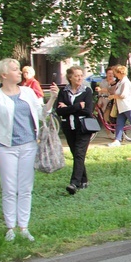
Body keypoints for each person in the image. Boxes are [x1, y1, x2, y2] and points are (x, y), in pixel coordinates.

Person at [0, 58, 59, 241]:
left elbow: (42, 113)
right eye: (15, 70)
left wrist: (53, 99)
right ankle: (10, 227)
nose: (20, 72)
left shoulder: (27, 92)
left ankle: (24, 227)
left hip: (29, 146)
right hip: (6, 148)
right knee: (9, 189)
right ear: (4, 75)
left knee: (25, 188)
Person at [55, 66, 95, 195]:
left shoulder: (87, 91)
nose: (79, 78)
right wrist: (77, 106)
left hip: (83, 127)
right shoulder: (64, 91)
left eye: (81, 75)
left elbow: (88, 110)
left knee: (79, 153)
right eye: (76, 75)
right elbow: (59, 110)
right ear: (70, 77)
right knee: (76, 153)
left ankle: (74, 183)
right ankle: (84, 179)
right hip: (68, 127)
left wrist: (69, 108)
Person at [108, 65, 131, 147]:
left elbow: (123, 95)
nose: (114, 74)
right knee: (119, 124)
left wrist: (113, 96)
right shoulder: (121, 82)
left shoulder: (125, 82)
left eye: (115, 73)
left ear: (119, 73)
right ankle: (117, 140)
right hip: (122, 107)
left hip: (129, 106)